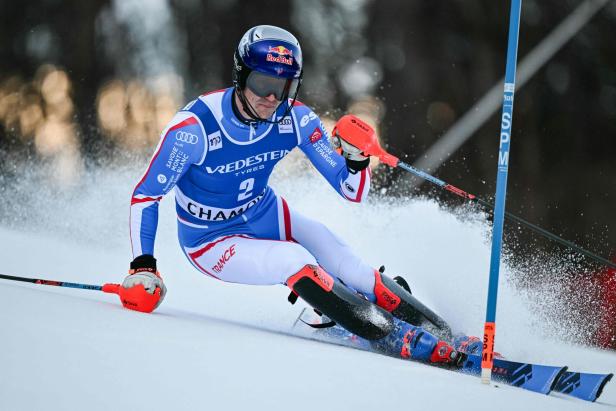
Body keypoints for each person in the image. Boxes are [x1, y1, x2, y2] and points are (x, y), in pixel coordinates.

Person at [117, 25, 465, 366]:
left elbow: (351, 192)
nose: (271, 97)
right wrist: (143, 267)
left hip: (266, 215)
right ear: (241, 75)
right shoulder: (193, 131)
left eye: (283, 86)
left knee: (352, 267)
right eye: (263, 83)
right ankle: (387, 333)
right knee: (294, 260)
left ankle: (445, 334)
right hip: (211, 241)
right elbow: (146, 196)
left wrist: (357, 161)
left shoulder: (295, 119)